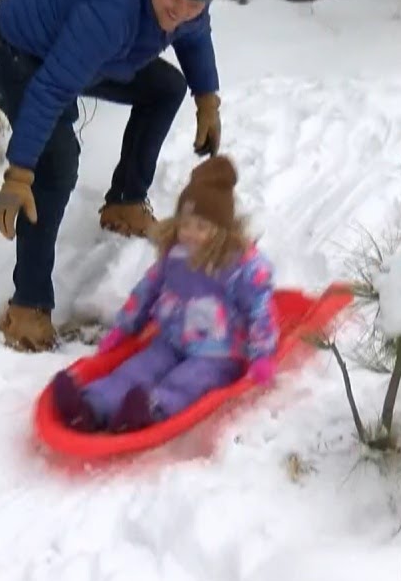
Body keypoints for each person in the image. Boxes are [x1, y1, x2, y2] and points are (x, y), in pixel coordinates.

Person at [0, 0, 233, 352]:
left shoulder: (187, 1)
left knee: (165, 88)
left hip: (92, 53)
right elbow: (52, 87)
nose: (180, 10)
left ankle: (125, 202)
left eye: (194, 4)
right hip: (20, 53)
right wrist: (19, 171)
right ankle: (28, 306)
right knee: (56, 161)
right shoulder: (111, 7)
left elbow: (194, 36)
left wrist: (206, 96)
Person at [49, 155, 279, 433]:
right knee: (137, 370)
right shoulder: (174, 256)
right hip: (170, 340)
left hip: (218, 353)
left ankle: (149, 411)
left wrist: (262, 356)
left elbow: (260, 309)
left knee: (189, 380)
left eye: (201, 227)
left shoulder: (238, 266)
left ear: (221, 230)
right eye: (185, 224)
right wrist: (125, 328)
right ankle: (92, 406)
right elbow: (147, 290)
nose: (190, 233)